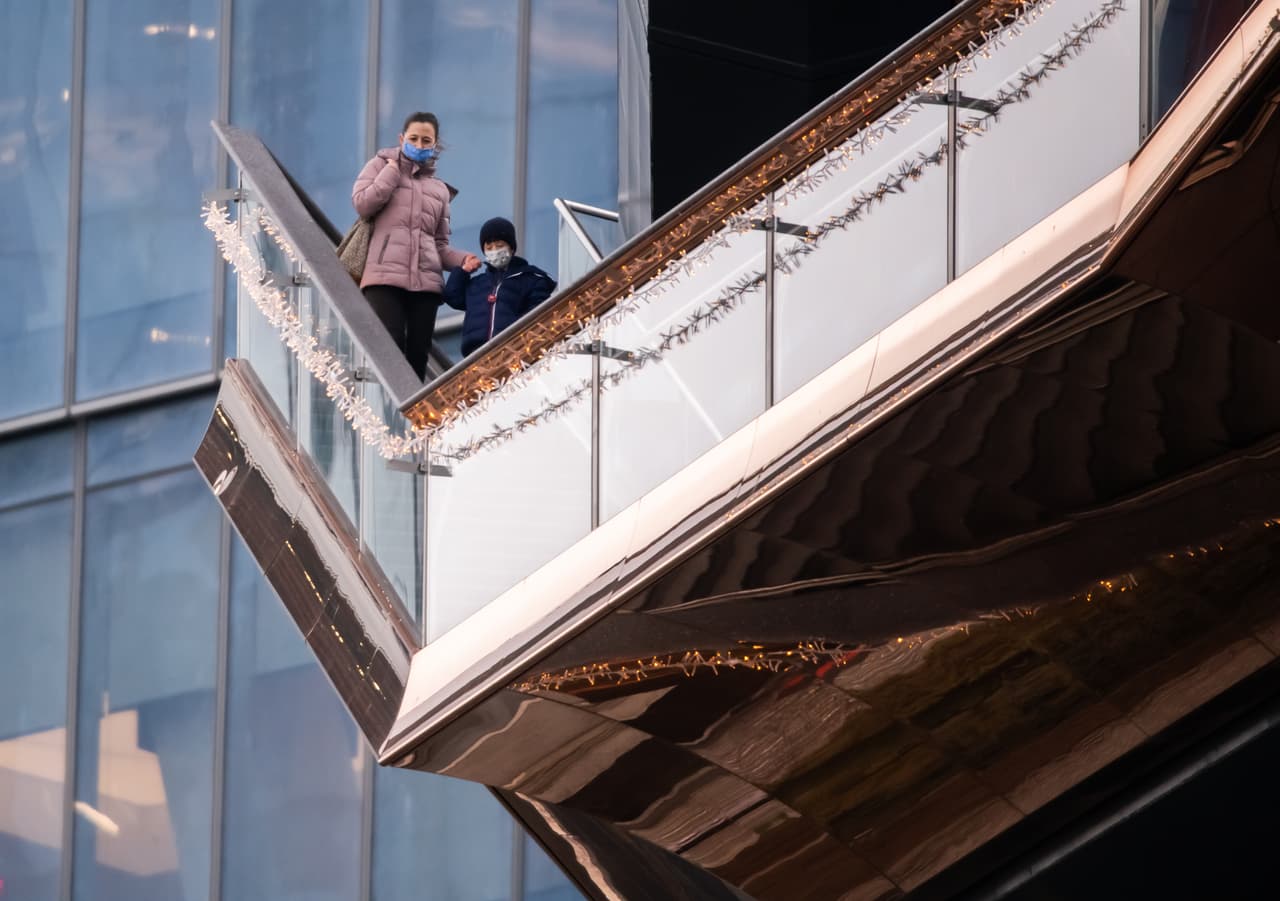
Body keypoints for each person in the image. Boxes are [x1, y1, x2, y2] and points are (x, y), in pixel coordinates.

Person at [352, 111, 480, 379]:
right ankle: (388, 413)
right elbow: (363, 204)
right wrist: (390, 171)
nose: (419, 145)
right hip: (384, 277)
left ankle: (411, 420)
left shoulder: (439, 190)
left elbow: (440, 246)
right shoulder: (380, 166)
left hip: (426, 284)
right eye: (413, 138)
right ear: (401, 138)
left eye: (426, 140)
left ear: (435, 145)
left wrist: (462, 260)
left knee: (417, 356)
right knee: (391, 344)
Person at [443, 217, 556, 357]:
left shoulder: (531, 278)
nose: (494, 250)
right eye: (489, 247)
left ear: (512, 247)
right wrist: (464, 270)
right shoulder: (477, 283)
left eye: (500, 245)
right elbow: (452, 297)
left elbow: (539, 312)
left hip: (514, 351)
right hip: (476, 354)